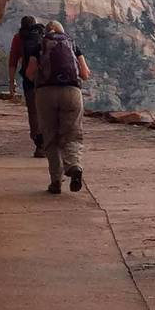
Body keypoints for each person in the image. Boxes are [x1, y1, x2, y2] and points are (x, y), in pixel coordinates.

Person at [22, 21, 92, 194]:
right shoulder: (73, 44)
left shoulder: (39, 45)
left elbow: (29, 73)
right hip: (72, 92)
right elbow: (85, 74)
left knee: (50, 136)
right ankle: (74, 165)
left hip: (45, 93)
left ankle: (56, 182)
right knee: (72, 133)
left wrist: (41, 80)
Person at [9, 15, 48, 158]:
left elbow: (12, 61)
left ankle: (39, 144)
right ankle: (50, 141)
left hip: (29, 81)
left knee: (33, 112)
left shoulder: (18, 38)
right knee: (46, 112)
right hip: (46, 81)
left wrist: (11, 82)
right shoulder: (43, 36)